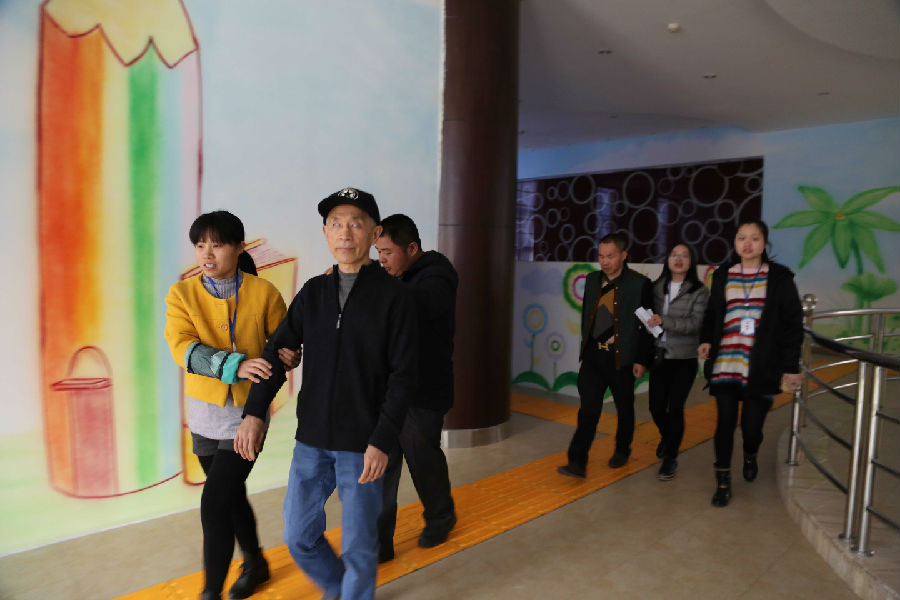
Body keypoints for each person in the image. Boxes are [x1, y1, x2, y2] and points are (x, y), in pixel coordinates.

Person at [234, 187, 418, 600]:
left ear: (375, 233)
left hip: (364, 444)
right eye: (336, 224)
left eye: (355, 223)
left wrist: (382, 440)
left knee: (359, 546)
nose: (345, 233)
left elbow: (404, 377)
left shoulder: (395, 298)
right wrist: (255, 412)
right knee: (298, 535)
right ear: (325, 233)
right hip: (312, 440)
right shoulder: (313, 293)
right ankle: (338, 589)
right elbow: (278, 351)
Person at [164, 210, 300, 600]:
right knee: (230, 493)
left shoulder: (265, 293)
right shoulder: (181, 294)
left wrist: (290, 356)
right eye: (200, 245)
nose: (207, 254)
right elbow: (182, 348)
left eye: (217, 245)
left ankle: (211, 592)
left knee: (214, 502)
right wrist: (234, 364)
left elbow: (283, 349)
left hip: (248, 414)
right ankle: (255, 561)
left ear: (239, 248)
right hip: (204, 414)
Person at [698, 219, 803, 507]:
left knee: (751, 428)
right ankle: (722, 481)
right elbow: (713, 312)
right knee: (724, 423)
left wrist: (791, 367)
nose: (747, 244)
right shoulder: (723, 274)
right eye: (741, 238)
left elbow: (793, 324)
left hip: (762, 365)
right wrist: (706, 339)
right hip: (727, 363)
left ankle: (750, 453)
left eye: (754, 238)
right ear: (735, 243)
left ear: (764, 243)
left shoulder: (780, 278)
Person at [374, 214, 458, 562]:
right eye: (378, 252)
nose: (381, 260)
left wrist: (369, 282)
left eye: (387, 252)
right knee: (380, 464)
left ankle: (441, 517)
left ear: (411, 248)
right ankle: (379, 541)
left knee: (422, 459)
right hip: (388, 390)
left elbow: (415, 304)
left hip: (424, 391)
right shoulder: (392, 275)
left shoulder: (438, 275)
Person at [558, 233, 653, 477]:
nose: (605, 261)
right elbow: (588, 316)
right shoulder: (592, 280)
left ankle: (622, 449)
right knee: (588, 410)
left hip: (621, 359)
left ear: (624, 255)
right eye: (601, 256)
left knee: (624, 408)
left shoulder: (640, 284)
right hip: (593, 357)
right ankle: (577, 461)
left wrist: (642, 359)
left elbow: (648, 326)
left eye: (610, 256)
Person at [646, 243, 709, 481]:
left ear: (691, 261)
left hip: (684, 359)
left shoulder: (699, 291)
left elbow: (695, 324)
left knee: (675, 409)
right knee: (655, 407)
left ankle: (670, 458)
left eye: (684, 255)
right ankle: (669, 437)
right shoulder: (656, 287)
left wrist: (665, 321)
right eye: (674, 255)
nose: (678, 259)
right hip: (659, 357)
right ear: (668, 260)